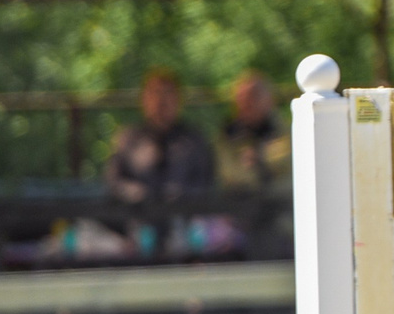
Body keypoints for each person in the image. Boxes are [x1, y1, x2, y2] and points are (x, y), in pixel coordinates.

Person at [105, 70, 215, 260]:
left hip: (183, 225)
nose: (160, 101)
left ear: (178, 100)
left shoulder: (194, 141)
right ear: (144, 99)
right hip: (137, 224)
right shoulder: (129, 139)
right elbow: (114, 181)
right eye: (154, 93)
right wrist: (136, 193)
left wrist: (181, 195)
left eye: (167, 93)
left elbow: (206, 181)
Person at [215, 70, 290, 190]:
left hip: (280, 204)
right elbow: (227, 173)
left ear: (269, 99)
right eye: (241, 97)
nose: (247, 103)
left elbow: (287, 163)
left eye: (254, 96)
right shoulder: (228, 135)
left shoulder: (286, 131)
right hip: (239, 202)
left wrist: (259, 160)